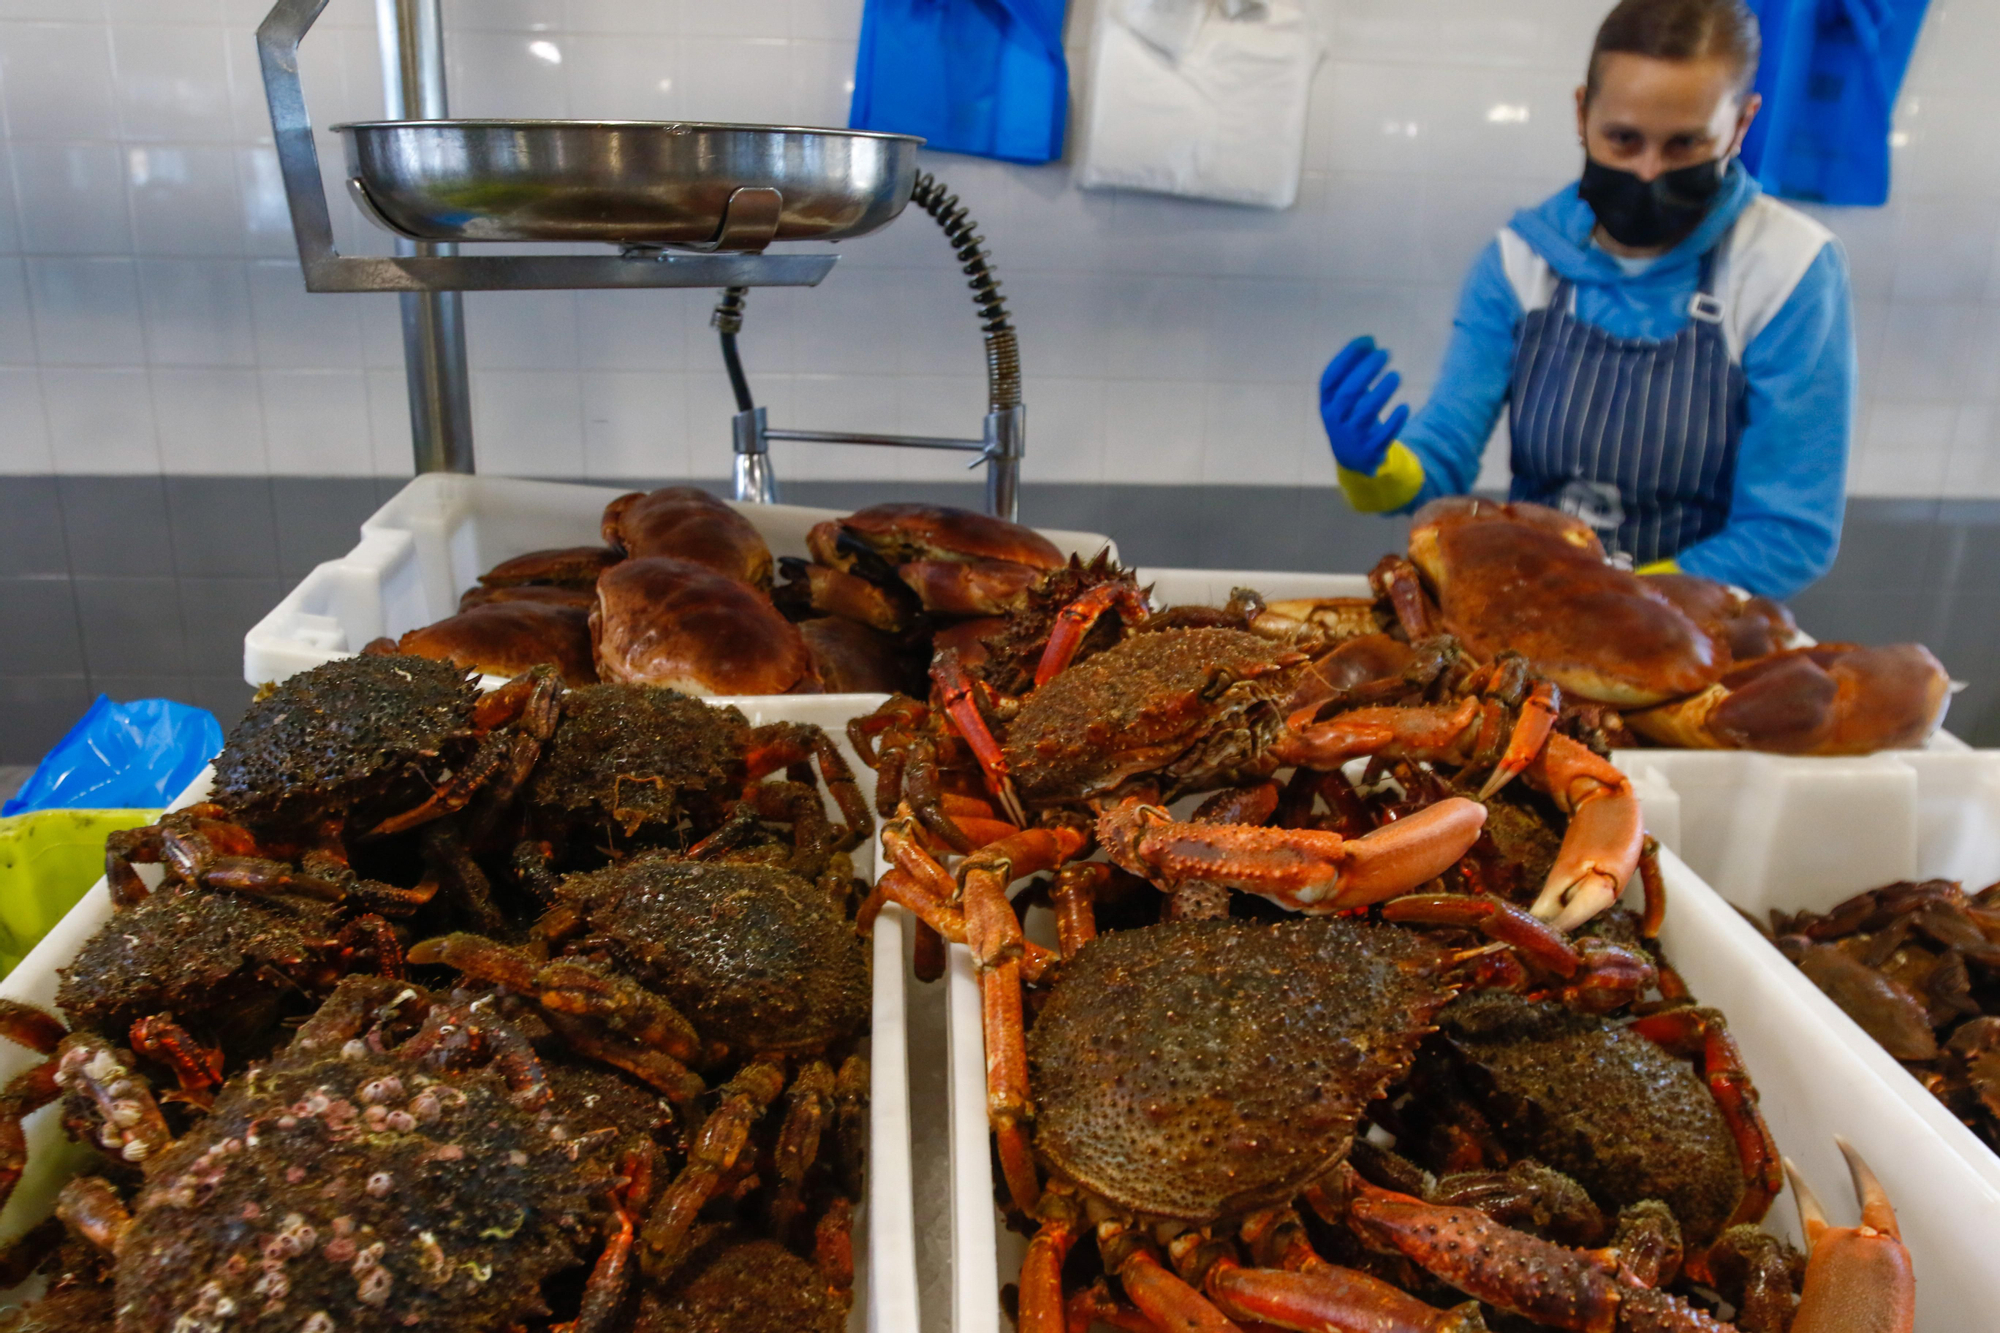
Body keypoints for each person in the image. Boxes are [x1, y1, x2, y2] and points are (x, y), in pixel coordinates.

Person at [1320, 0, 1854, 600]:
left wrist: (1611, 601)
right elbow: (1442, 462)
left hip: (1702, 634)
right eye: (1623, 140)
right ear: (1582, 114)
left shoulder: (1786, 270)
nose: (1649, 171)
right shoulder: (1523, 261)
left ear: (1740, 125)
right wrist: (1378, 467)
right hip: (1531, 615)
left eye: (1684, 146)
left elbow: (1788, 533)